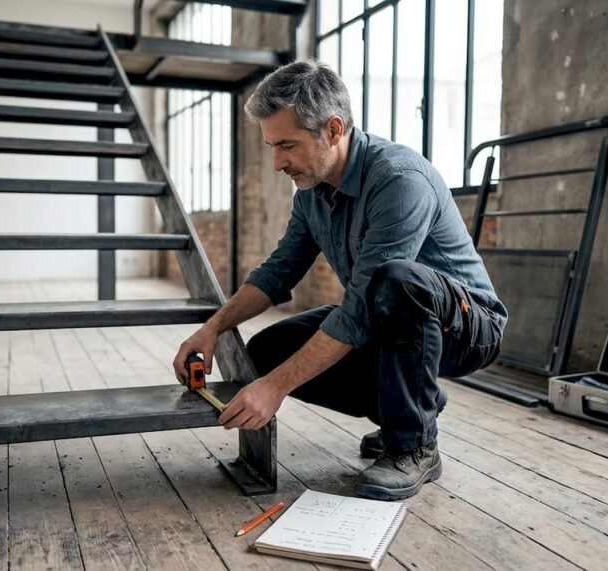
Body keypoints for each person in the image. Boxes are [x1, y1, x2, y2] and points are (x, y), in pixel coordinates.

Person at [172, 60, 507, 501]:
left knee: (395, 281)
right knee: (267, 352)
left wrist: (275, 389)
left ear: (332, 129)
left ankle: (414, 445)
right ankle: (408, 407)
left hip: (466, 328)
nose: (278, 163)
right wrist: (213, 328)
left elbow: (363, 308)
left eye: (287, 145)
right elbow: (278, 271)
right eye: (272, 147)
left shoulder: (399, 179)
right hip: (388, 315)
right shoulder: (310, 192)